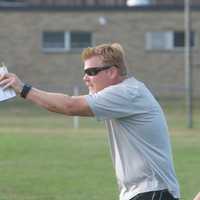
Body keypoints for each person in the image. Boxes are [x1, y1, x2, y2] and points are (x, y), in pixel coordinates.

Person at [0, 43, 180, 200]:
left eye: (91, 72)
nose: (85, 78)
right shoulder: (125, 93)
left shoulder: (127, 93)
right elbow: (68, 101)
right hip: (145, 192)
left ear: (112, 72)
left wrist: (22, 88)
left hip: (152, 192)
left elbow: (69, 105)